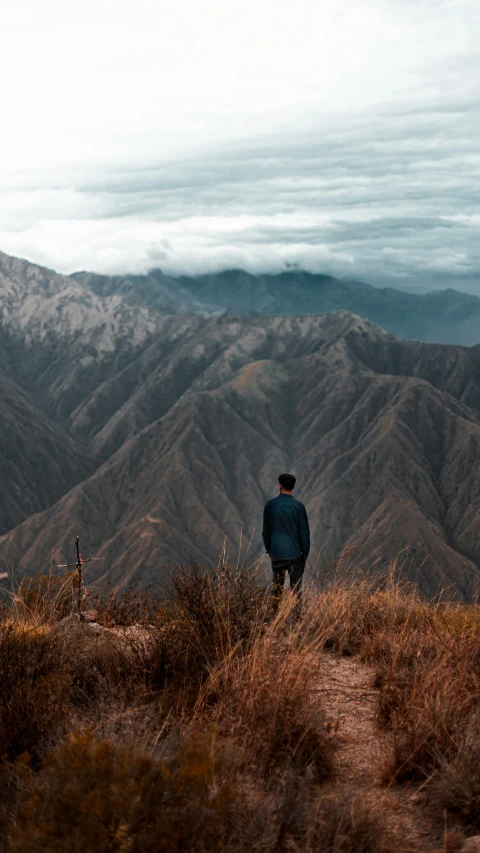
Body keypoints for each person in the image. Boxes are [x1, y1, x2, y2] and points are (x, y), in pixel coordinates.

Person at [262, 473, 310, 613]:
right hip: (296, 554)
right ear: (293, 487)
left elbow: (266, 530)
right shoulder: (299, 506)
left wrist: (269, 550)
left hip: (276, 552)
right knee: (296, 590)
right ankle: (297, 619)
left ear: (280, 486)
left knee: (277, 588)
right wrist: (305, 553)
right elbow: (304, 532)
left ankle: (275, 617)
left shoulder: (270, 505)